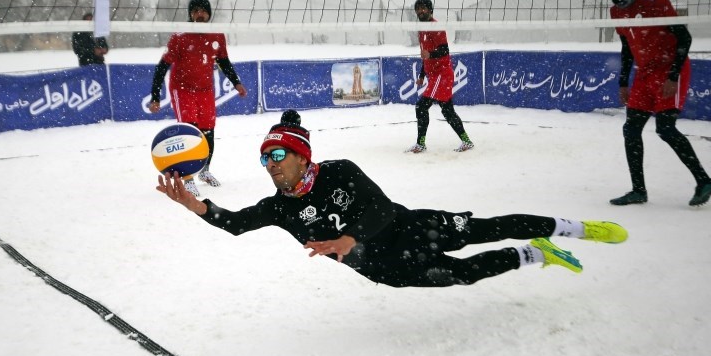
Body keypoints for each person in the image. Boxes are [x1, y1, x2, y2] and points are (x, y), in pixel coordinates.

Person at [155, 109, 629, 288]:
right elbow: (236, 222)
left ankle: (573, 228)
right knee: (463, 275)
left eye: (278, 154)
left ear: (302, 155)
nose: (271, 164)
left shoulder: (339, 170)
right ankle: (535, 254)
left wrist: (346, 238)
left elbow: (380, 209)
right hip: (383, 267)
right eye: (265, 159)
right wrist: (196, 207)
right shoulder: (279, 207)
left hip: (409, 225)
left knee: (488, 226)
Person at [607, 0, 711, 207]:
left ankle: (703, 181)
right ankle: (638, 191)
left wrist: (673, 76)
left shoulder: (655, 2)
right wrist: (623, 81)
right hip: (645, 72)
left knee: (665, 129)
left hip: (670, 68)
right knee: (631, 129)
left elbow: (684, 38)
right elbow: (626, 47)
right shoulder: (616, 11)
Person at [148, 0, 248, 197]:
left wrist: (236, 83)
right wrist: (156, 96)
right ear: (190, 15)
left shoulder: (217, 35)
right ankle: (187, 178)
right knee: (189, 132)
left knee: (208, 131)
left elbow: (224, 61)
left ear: (209, 14)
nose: (199, 14)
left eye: (203, 11)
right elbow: (162, 66)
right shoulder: (180, 36)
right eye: (195, 11)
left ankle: (204, 171)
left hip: (205, 89)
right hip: (182, 88)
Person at [406, 0, 475, 154]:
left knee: (421, 107)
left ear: (430, 10)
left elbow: (445, 50)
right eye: (418, 8)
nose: (420, 11)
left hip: (442, 75)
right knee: (447, 111)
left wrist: (429, 54)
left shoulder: (436, 27)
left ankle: (421, 144)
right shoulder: (421, 29)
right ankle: (466, 141)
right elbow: (425, 56)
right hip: (434, 76)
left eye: (424, 8)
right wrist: (422, 75)